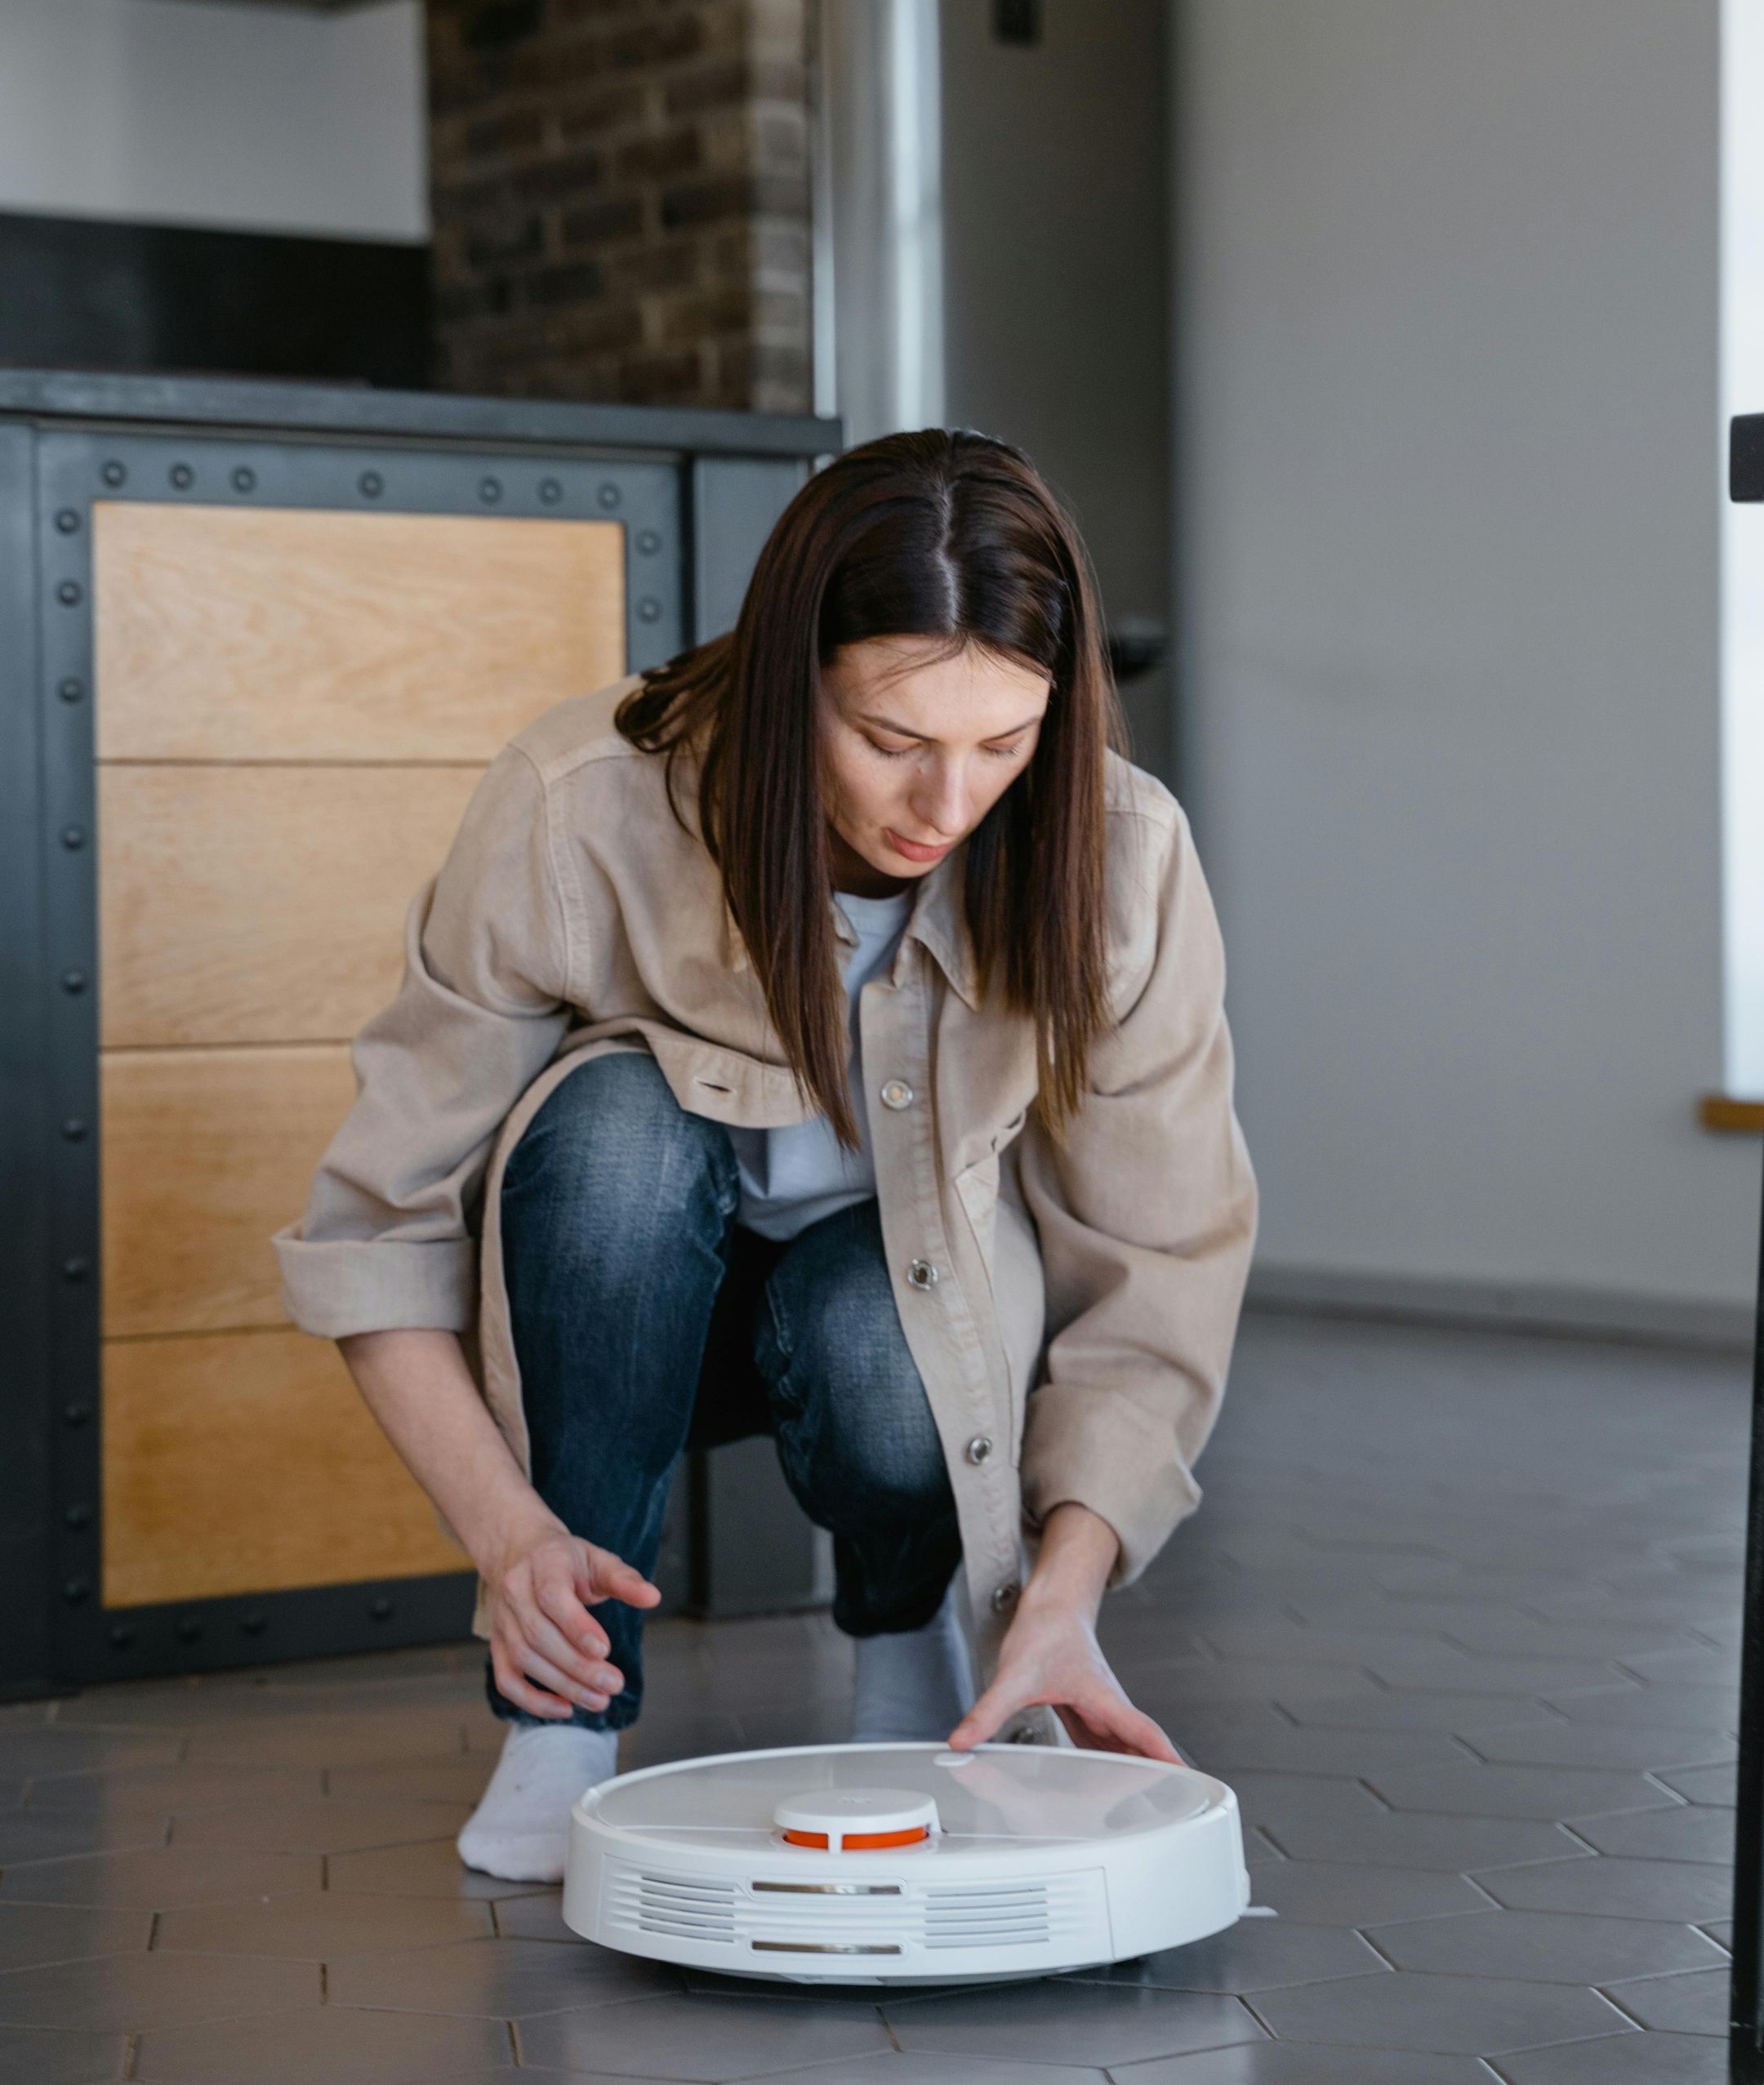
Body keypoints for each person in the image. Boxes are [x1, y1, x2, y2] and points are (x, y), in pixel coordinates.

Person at [276, 430, 1256, 1882]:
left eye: (1005, 743)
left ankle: (905, 1627)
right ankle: (568, 1704)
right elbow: (376, 1223)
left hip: (900, 1335)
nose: (948, 806)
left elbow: (1160, 1261)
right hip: (610, 1306)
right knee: (612, 1132)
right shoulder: (582, 799)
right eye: (892, 740)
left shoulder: (1122, 856)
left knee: (879, 1323)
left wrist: (1059, 1601)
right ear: (792, 676)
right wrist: (506, 1539)